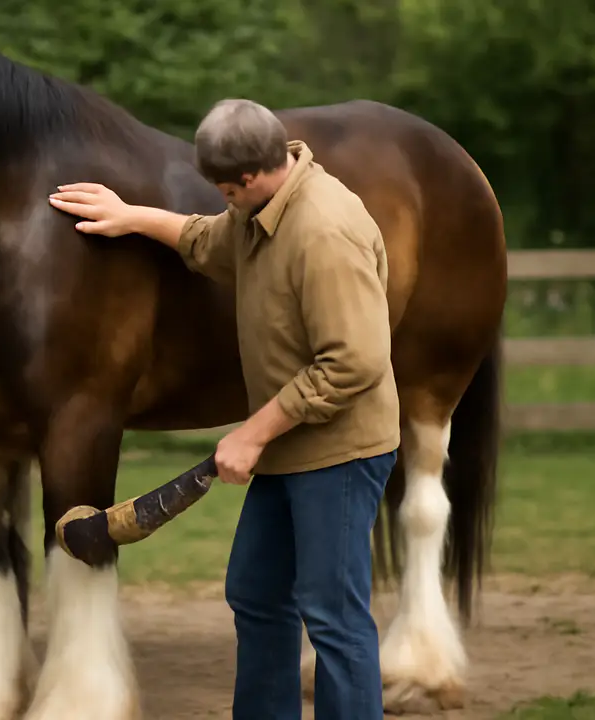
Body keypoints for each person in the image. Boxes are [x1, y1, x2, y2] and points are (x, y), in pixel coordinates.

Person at [48, 98, 400, 719]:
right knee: (258, 594)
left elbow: (354, 361)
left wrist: (252, 433)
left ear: (248, 177)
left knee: (333, 615)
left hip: (340, 451)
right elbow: (207, 240)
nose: (222, 200)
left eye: (223, 189)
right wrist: (131, 216)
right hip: (289, 445)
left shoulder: (324, 230)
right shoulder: (262, 207)